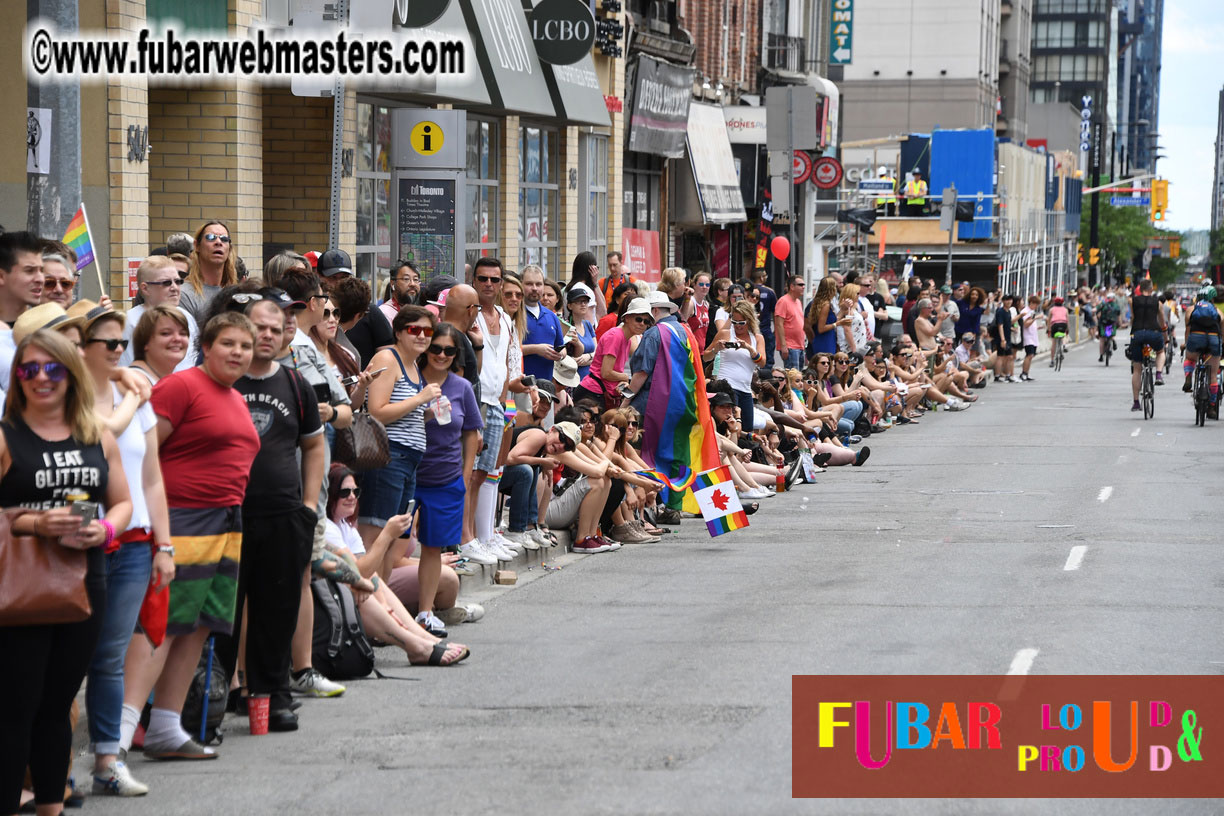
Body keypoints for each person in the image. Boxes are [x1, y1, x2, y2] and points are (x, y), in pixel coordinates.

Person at [0, 330, 134, 815]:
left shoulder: (95, 432)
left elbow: (121, 503)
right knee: (16, 710)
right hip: (20, 586)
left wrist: (105, 529)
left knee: (56, 708)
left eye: (52, 368)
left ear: (70, 374)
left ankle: (51, 807)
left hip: (84, 579)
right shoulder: (6, 435)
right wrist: (35, 521)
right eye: (28, 369)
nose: (40, 378)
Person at [124, 312, 260, 761]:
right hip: (183, 520)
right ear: (207, 345)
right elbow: (142, 455)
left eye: (245, 345)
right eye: (228, 344)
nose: (237, 353)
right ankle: (119, 738)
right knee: (163, 626)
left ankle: (166, 726)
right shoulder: (181, 386)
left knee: (201, 627)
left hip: (226, 522)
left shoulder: (234, 395)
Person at [73, 302, 172, 797]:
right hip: (77, 544)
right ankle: (50, 762)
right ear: (80, 348)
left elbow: (152, 478)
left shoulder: (134, 393)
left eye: (123, 344)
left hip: (133, 543)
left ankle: (107, 762)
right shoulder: (65, 398)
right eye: (109, 344)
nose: (119, 352)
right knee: (69, 655)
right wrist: (135, 393)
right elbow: (102, 432)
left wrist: (165, 544)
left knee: (111, 657)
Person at [217, 299, 326, 732]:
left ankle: (273, 696)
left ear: (286, 334)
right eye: (257, 327)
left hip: (283, 515)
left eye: (275, 328)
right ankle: (220, 696)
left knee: (276, 611)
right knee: (224, 611)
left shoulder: (296, 384)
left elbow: (314, 446)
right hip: (224, 516)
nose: (266, 335)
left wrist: (309, 506)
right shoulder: (219, 382)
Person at [323, 467, 470, 665]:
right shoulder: (327, 527)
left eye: (355, 492)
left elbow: (367, 573)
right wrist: (387, 535)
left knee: (373, 583)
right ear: (329, 494)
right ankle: (415, 645)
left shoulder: (345, 526)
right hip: (330, 598)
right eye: (344, 492)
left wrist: (383, 602)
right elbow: (361, 571)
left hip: (359, 585)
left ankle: (425, 638)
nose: (351, 497)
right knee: (362, 587)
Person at [417, 323, 483, 637]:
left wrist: (466, 473)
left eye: (449, 350)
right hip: (407, 473)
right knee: (394, 544)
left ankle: (425, 613)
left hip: (446, 478)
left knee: (433, 547)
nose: (441, 355)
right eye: (435, 348)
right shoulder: (409, 380)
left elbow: (472, 432)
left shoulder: (461, 387)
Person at [361, 305, 440, 550]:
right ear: (398, 332)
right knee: (377, 536)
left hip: (409, 460)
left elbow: (401, 412)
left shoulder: (414, 365)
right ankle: (370, 588)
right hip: (388, 456)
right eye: (414, 329)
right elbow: (377, 412)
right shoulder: (387, 358)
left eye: (428, 332)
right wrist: (419, 399)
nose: (422, 336)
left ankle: (381, 588)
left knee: (392, 541)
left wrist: (427, 413)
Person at [120, 256, 199, 371]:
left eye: (177, 281)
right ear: (145, 289)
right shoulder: (130, 321)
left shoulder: (186, 316)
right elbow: (125, 367)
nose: (174, 288)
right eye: (166, 283)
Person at [575, 297, 652, 409]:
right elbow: (606, 372)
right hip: (592, 393)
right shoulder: (616, 336)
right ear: (626, 318)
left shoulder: (627, 339)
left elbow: (613, 372)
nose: (642, 324)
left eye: (646, 321)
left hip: (601, 393)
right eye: (638, 319)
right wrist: (625, 377)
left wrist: (622, 382)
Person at [705, 300, 765, 430]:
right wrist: (716, 349)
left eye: (741, 323)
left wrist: (749, 349)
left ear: (749, 320)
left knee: (747, 429)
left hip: (745, 389)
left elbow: (762, 362)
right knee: (730, 429)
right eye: (735, 322)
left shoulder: (757, 338)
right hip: (727, 387)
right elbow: (705, 356)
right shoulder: (725, 333)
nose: (738, 326)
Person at [0, 231, 45, 386]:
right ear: (1, 276)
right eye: (29, 270)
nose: (40, 279)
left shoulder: (49, 328)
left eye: (41, 270)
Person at [178, 221, 237, 322]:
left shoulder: (237, 294)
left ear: (229, 248)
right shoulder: (184, 294)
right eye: (210, 237)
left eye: (224, 239)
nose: (218, 242)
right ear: (197, 246)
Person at [521, 265, 568, 386]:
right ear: (521, 285)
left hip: (546, 388)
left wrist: (561, 353)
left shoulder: (551, 316)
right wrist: (536, 349)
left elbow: (561, 346)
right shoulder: (514, 315)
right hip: (520, 388)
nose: (534, 288)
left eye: (538, 284)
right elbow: (507, 350)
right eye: (529, 284)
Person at [1181, 285, 1222, 417]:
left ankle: (1188, 377)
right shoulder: (1217, 311)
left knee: (1191, 358)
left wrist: (1187, 344)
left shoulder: (1191, 309)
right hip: (1213, 339)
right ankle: (1211, 407)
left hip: (1196, 337)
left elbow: (1188, 330)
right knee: (1213, 375)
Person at [1126, 279, 1167, 409]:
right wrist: (1165, 336)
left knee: (1137, 368)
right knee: (1160, 352)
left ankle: (1136, 402)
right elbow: (1162, 322)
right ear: (1151, 289)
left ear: (1140, 288)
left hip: (1137, 333)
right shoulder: (1158, 303)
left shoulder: (1132, 301)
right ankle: (1159, 374)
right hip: (1153, 332)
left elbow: (1133, 318)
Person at [564, 283, 598, 379]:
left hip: (591, 377)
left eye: (585, 301)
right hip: (573, 378)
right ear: (570, 306)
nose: (583, 304)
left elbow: (598, 352)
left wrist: (588, 356)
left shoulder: (588, 324)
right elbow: (568, 359)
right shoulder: (566, 326)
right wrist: (591, 358)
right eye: (578, 301)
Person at [775, 275, 807, 369]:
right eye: (800, 285)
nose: (803, 287)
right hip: (790, 346)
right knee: (793, 377)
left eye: (804, 285)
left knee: (799, 377)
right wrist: (784, 346)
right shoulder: (783, 301)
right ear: (792, 287)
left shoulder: (798, 302)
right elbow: (779, 324)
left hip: (799, 346)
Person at [805, 277, 842, 357]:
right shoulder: (825, 305)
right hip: (825, 340)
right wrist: (837, 324)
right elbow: (821, 328)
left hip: (825, 339)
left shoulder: (818, 302)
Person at [566, 251, 609, 319]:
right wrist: (595, 283)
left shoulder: (568, 289)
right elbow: (602, 311)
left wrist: (595, 284)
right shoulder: (585, 290)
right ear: (591, 269)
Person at [1018, 295, 1044, 382]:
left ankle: (1026, 373)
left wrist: (1038, 327)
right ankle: (1023, 373)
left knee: (1031, 355)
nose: (1036, 306)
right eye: (1035, 304)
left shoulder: (1031, 311)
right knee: (1029, 355)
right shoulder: (1025, 311)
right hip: (1028, 337)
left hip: (1033, 336)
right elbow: (1025, 324)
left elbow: (1031, 324)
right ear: (1031, 303)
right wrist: (1036, 317)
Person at [992, 293, 1017, 382]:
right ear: (1003, 301)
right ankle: (997, 376)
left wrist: (1012, 329)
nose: (1009, 301)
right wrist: (1003, 339)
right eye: (1007, 299)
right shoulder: (1000, 311)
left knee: (1009, 357)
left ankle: (1008, 375)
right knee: (1000, 356)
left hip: (1007, 336)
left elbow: (1007, 324)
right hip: (1002, 338)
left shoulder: (1008, 311)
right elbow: (1000, 325)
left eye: (1010, 299)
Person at [1098, 292, 1121, 362]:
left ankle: (1101, 356)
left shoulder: (1103, 304)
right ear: (1114, 298)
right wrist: (1119, 323)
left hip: (1103, 323)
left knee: (1102, 339)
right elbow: (1118, 315)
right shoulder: (1116, 306)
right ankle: (1113, 340)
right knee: (1111, 335)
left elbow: (1096, 311)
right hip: (1112, 323)